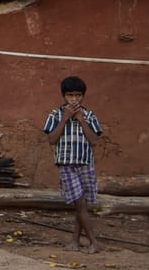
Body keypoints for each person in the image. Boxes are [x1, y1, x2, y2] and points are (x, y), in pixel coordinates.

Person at [43, 76, 104, 253]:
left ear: (83, 96)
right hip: (66, 164)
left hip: (85, 163)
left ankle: (75, 242)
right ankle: (94, 241)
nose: (74, 99)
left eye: (78, 95)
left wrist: (80, 119)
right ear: (63, 96)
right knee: (80, 203)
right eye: (70, 95)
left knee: (81, 204)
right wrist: (66, 118)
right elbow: (51, 139)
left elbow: (94, 140)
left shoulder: (89, 115)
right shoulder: (55, 115)